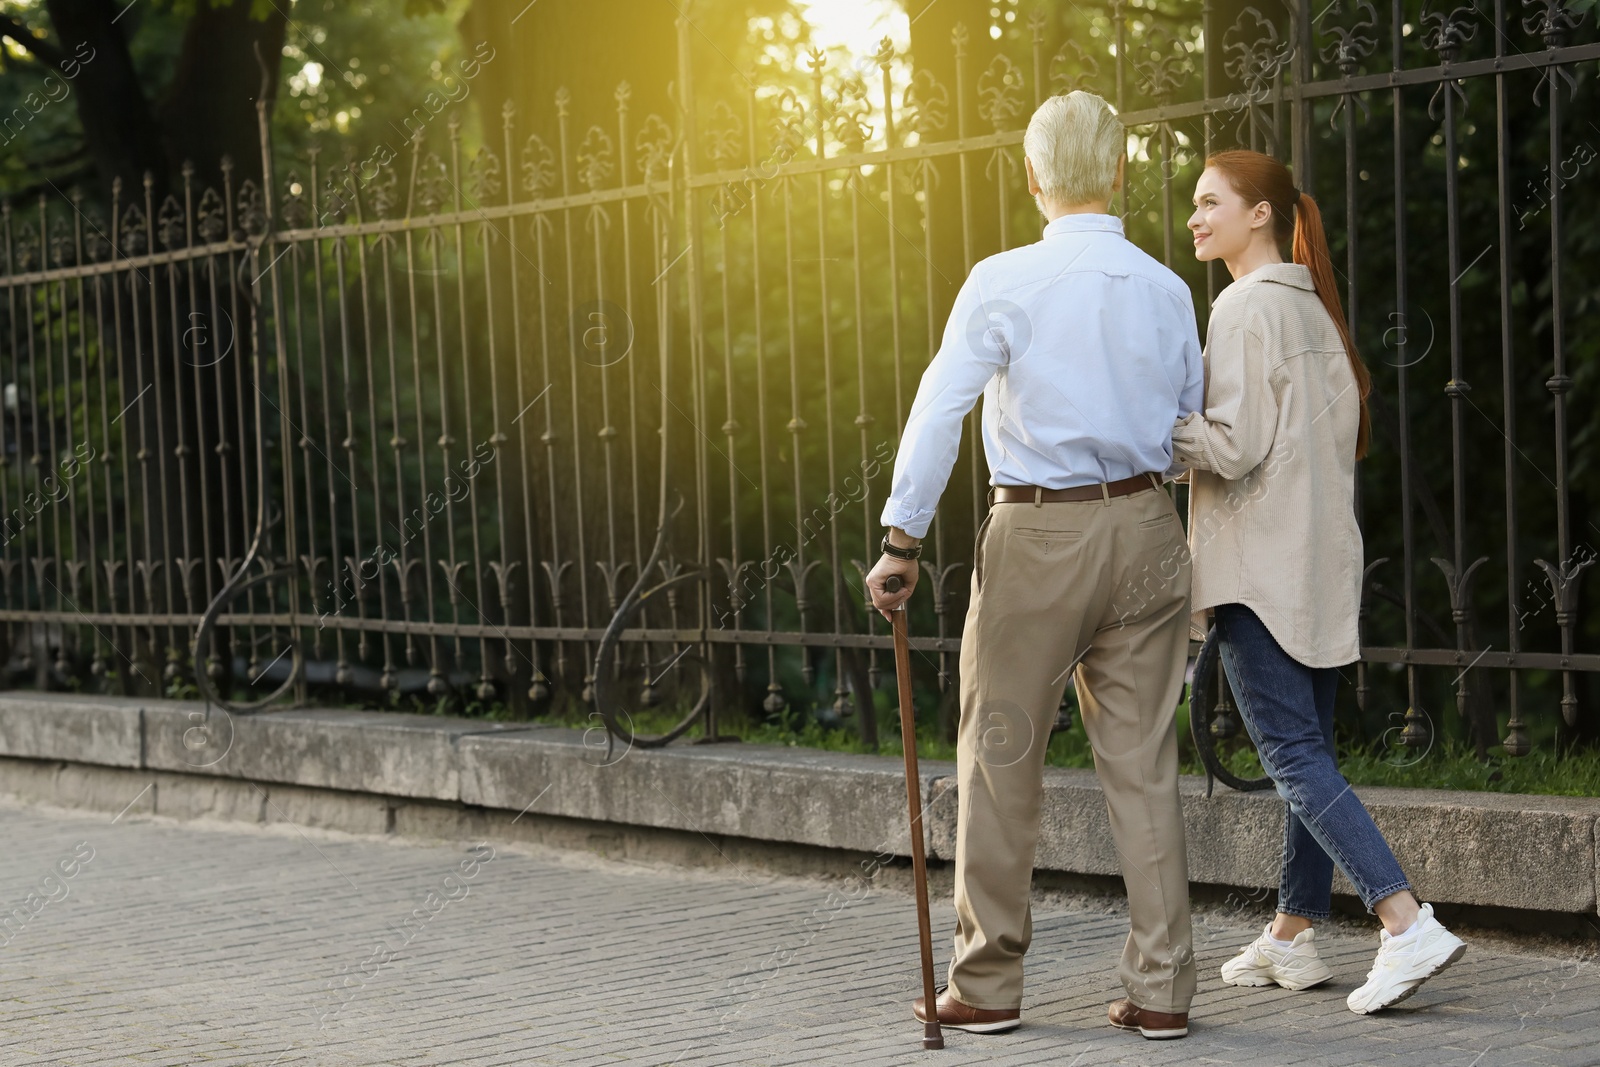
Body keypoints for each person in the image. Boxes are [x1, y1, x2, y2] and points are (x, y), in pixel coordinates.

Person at [866, 90, 1204, 1041]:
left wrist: (903, 539)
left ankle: (987, 985)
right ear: (1122, 175)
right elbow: (1189, 420)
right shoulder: (1168, 288)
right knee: (1142, 764)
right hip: (1147, 525)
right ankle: (1163, 990)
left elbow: (941, 410)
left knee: (1002, 753)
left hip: (1039, 534)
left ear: (1032, 177)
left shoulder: (1003, 278)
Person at [1173, 148, 1466, 1013]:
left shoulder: (1240, 308)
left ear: (1259, 213)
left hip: (1257, 573)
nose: (1194, 218)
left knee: (1293, 757)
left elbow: (1231, 447)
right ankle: (1294, 932)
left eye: (1209, 202)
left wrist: (1161, 427)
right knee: (1312, 755)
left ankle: (1405, 921)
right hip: (1320, 570)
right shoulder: (1318, 313)